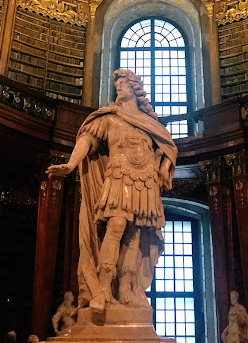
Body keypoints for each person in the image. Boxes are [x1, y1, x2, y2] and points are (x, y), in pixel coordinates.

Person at [47, 69, 177, 314]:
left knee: (135, 234)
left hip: (145, 180)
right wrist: (71, 164)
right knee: (116, 225)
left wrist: (163, 168)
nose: (118, 87)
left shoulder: (149, 123)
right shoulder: (108, 118)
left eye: (123, 84)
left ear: (135, 89)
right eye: (117, 84)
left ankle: (126, 288)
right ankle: (103, 288)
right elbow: (87, 139)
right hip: (119, 174)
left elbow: (169, 147)